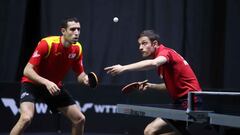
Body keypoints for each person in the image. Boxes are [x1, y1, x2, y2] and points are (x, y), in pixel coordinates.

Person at [104, 30, 202, 135]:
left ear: (155, 44)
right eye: (139, 44)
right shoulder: (163, 63)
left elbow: (154, 63)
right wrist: (150, 86)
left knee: (150, 131)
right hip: (181, 103)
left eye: (144, 43)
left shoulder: (165, 52)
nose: (140, 47)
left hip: (191, 102)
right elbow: (169, 85)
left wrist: (123, 68)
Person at [10, 17, 90, 135]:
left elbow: (80, 74)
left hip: (54, 88)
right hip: (32, 84)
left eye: (78, 29)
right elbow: (27, 71)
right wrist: (46, 82)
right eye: (72, 29)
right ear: (63, 31)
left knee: (79, 119)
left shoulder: (77, 48)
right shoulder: (47, 44)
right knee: (26, 118)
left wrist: (85, 79)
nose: (76, 33)